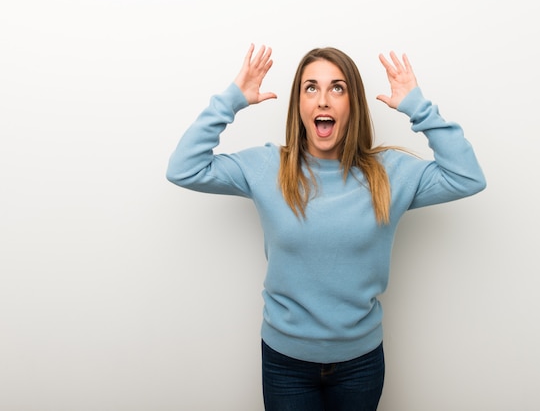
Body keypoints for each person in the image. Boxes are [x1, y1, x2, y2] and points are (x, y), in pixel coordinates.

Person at [166, 44, 486, 411]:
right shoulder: (266, 167)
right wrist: (232, 100)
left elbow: (467, 177)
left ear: (353, 104)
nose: (323, 101)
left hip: (361, 364)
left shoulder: (389, 174)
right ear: (299, 105)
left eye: (337, 88)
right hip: (285, 363)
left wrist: (418, 107)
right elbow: (183, 169)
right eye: (310, 88)